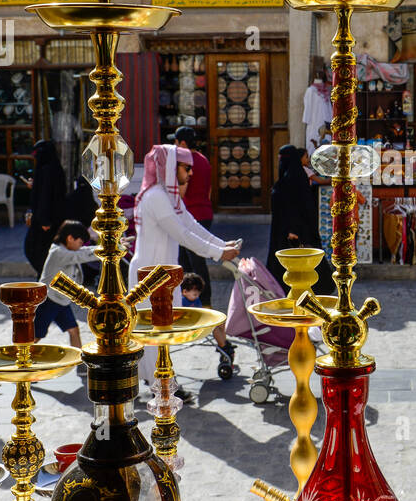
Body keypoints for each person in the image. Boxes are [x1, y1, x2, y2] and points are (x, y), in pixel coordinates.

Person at [130, 144, 241, 388]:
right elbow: (183, 235)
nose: (191, 173)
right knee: (153, 334)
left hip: (163, 274)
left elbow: (191, 225)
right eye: (186, 167)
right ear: (171, 167)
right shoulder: (157, 197)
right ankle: (163, 385)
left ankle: (163, 381)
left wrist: (222, 245)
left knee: (162, 332)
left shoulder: (168, 196)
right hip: (149, 274)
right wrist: (218, 253)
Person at [267, 144, 335, 293]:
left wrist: (293, 229)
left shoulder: (294, 179)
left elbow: (296, 207)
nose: (280, 160)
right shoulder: (291, 177)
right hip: (289, 228)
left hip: (294, 229)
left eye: (282, 158)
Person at [36, 221, 100, 350]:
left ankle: (80, 364)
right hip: (48, 300)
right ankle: (17, 360)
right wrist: (106, 251)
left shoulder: (66, 249)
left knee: (74, 330)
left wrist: (110, 246)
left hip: (61, 301)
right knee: (35, 337)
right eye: (80, 242)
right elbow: (80, 255)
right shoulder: (58, 252)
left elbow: (83, 250)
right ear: (70, 238)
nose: (81, 245)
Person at [173, 126, 214, 308]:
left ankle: (200, 302)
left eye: (175, 142)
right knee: (194, 260)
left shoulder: (185, 161)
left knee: (190, 262)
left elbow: (181, 192)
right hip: (205, 213)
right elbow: (210, 189)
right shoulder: (204, 160)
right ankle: (196, 301)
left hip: (190, 215)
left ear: (182, 143)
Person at [22, 140, 65, 274]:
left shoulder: (48, 170)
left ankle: (47, 280)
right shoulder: (50, 168)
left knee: (38, 251)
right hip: (47, 219)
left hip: (46, 221)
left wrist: (44, 220)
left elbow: (46, 196)